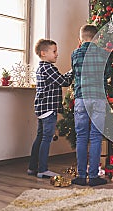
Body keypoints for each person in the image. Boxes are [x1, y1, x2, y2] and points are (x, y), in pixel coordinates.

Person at [28, 39, 73, 178]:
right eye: (54, 51)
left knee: (40, 137)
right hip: (48, 109)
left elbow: (59, 80)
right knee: (46, 138)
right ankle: (42, 169)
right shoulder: (48, 68)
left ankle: (32, 168)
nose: (57, 54)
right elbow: (64, 81)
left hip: (41, 108)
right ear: (43, 53)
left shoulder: (41, 67)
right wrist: (75, 69)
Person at [71, 24, 108, 187]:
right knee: (95, 137)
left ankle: (80, 175)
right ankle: (93, 176)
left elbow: (74, 73)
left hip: (81, 98)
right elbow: (106, 74)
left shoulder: (75, 54)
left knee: (81, 137)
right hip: (98, 98)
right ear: (97, 38)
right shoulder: (102, 53)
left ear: (80, 39)